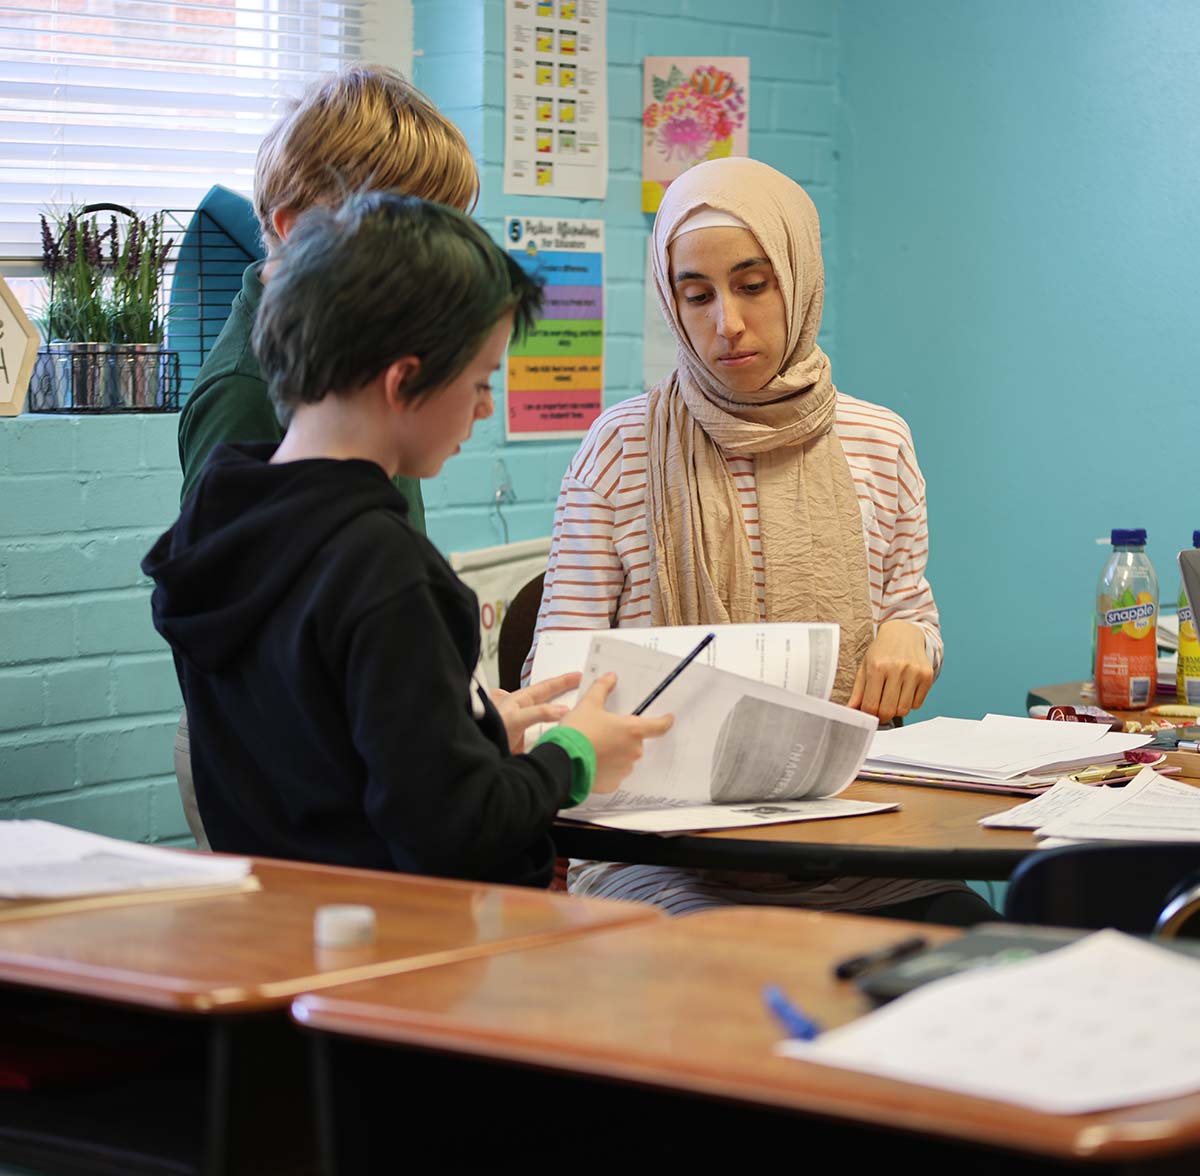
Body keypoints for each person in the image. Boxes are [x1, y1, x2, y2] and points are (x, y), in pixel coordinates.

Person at [143, 194, 672, 886]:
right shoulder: (385, 571)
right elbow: (450, 831)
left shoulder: (216, 525)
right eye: (480, 381)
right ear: (405, 380)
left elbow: (330, 762)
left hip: (282, 929)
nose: (485, 408)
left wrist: (471, 736)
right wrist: (572, 756)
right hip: (400, 941)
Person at [524, 156, 994, 924]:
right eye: (696, 294)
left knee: (987, 972)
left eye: (753, 284)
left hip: (855, 839)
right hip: (664, 856)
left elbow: (912, 614)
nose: (727, 324)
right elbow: (555, 680)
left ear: (799, 278)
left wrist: (913, 636)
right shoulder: (620, 446)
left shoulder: (879, 441)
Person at [172, 65, 479, 844]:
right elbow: (232, 627)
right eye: (399, 235)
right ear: (289, 227)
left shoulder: (365, 365)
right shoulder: (249, 390)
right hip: (296, 785)